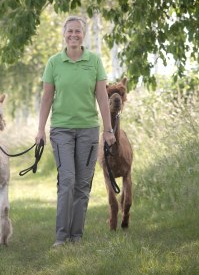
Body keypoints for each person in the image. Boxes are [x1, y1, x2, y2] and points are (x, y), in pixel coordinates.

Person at [35, 15, 116, 247]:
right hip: (62, 130)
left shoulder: (95, 61)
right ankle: (61, 237)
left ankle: (76, 236)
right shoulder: (54, 63)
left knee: (83, 184)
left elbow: (102, 97)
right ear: (64, 34)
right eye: (69, 31)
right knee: (67, 180)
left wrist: (108, 130)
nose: (73, 35)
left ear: (84, 35)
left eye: (77, 31)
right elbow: (47, 97)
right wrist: (40, 129)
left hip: (89, 131)